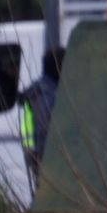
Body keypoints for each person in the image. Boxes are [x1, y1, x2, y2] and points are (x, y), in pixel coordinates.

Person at [18, 49, 64, 187]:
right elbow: (45, 129)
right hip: (49, 161)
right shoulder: (49, 95)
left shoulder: (35, 92)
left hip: (36, 157)